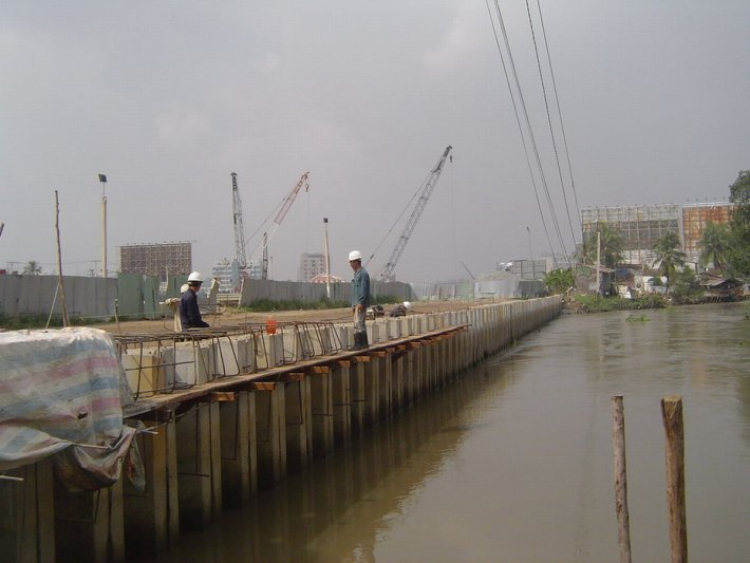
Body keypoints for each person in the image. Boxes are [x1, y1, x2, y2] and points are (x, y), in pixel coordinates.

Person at [349, 250, 370, 350]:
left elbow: (363, 289)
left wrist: (360, 303)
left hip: (360, 303)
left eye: (351, 262)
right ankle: (363, 344)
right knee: (359, 323)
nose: (350, 264)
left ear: (356, 262)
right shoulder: (357, 274)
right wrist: (353, 305)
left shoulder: (363, 274)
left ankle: (360, 344)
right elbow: (355, 292)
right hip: (356, 304)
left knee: (359, 323)